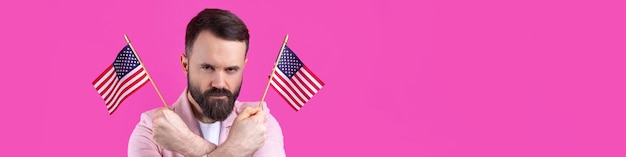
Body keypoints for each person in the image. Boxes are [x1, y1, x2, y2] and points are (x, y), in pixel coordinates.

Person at [128, 8, 286, 157]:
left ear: (243, 67)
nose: (219, 83)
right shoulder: (151, 131)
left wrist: (191, 145)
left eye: (231, 69)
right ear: (185, 65)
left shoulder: (260, 123)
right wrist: (234, 149)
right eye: (208, 67)